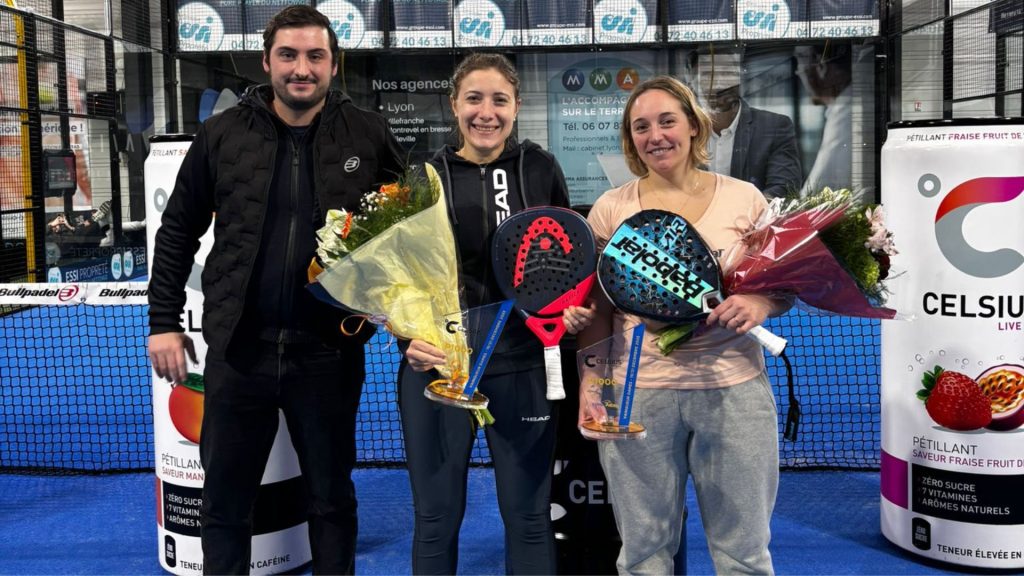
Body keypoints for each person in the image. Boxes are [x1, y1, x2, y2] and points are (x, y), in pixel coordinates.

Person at [147, 5, 404, 574]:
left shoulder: (369, 133)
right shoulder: (222, 134)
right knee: (225, 506)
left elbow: (405, 232)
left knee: (331, 500)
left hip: (329, 354)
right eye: (288, 55)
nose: (301, 69)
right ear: (267, 62)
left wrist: (399, 307)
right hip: (241, 353)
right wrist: (163, 320)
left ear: (333, 65)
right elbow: (176, 232)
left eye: (315, 56)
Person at [577, 76, 791, 575]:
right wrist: (595, 387)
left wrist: (760, 302)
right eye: (641, 127)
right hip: (639, 394)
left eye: (667, 120)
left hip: (734, 390)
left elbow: (781, 285)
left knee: (744, 552)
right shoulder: (612, 208)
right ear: (631, 141)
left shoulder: (746, 199)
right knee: (644, 551)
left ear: (694, 126)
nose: (656, 135)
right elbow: (600, 310)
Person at [399, 52, 594, 575]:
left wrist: (571, 310)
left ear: (516, 107)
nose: (486, 112)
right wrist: (407, 342)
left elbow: (565, 261)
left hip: (524, 365)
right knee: (435, 518)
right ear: (454, 104)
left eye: (499, 100)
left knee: (529, 516)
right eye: (474, 99)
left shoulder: (540, 167)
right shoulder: (425, 176)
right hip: (440, 366)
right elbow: (401, 277)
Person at [688, 48, 802, 198]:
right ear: (691, 84)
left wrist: (742, 215)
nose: (719, 83)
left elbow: (783, 188)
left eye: (727, 74)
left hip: (754, 220)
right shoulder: (681, 130)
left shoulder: (774, 126)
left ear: (740, 79)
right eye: (708, 75)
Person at [794, 42, 853, 197]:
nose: (798, 72)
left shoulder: (848, 110)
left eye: (800, 61)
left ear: (821, 66)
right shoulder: (846, 104)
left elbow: (817, 193)